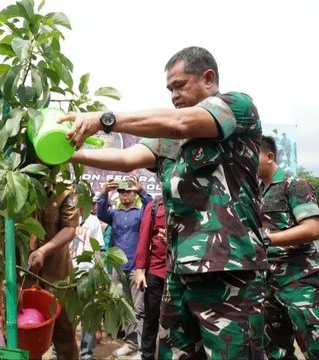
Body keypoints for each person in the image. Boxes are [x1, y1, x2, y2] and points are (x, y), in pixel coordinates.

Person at [59, 46, 267, 358]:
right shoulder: (168, 138)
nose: (173, 95)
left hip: (230, 269)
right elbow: (126, 158)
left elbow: (182, 122)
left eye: (179, 85)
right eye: (169, 89)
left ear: (208, 78)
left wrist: (104, 120)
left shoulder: (236, 107)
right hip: (179, 272)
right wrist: (64, 152)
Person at [258, 135, 319, 359]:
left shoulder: (294, 185)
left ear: (269, 157)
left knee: (314, 345)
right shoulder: (255, 194)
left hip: (298, 280)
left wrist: (268, 238)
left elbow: (313, 228)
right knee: (275, 351)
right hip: (267, 284)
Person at [97, 176, 152, 358]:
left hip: (137, 268)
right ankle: (130, 343)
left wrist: (141, 191)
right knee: (125, 307)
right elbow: (100, 213)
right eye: (121, 192)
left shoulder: (141, 212)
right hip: (118, 268)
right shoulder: (114, 214)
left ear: (134, 194)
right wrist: (105, 192)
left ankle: (143, 349)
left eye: (128, 191)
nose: (124, 195)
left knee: (140, 309)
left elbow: (153, 207)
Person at [27, 185, 81, 360]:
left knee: (65, 336)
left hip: (58, 278)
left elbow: (70, 228)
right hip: (26, 280)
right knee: (28, 337)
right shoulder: (14, 185)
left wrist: (43, 251)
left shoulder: (64, 190)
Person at [69, 202, 105, 360]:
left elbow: (97, 249)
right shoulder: (66, 218)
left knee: (88, 317)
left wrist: (99, 273)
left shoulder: (93, 221)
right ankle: (60, 353)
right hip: (67, 275)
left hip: (87, 275)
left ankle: (86, 354)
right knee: (65, 317)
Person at [134, 195, 167, 360]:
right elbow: (144, 236)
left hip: (179, 271)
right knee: (151, 316)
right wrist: (140, 269)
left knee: (175, 318)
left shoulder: (190, 201)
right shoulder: (154, 205)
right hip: (156, 270)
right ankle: (147, 356)